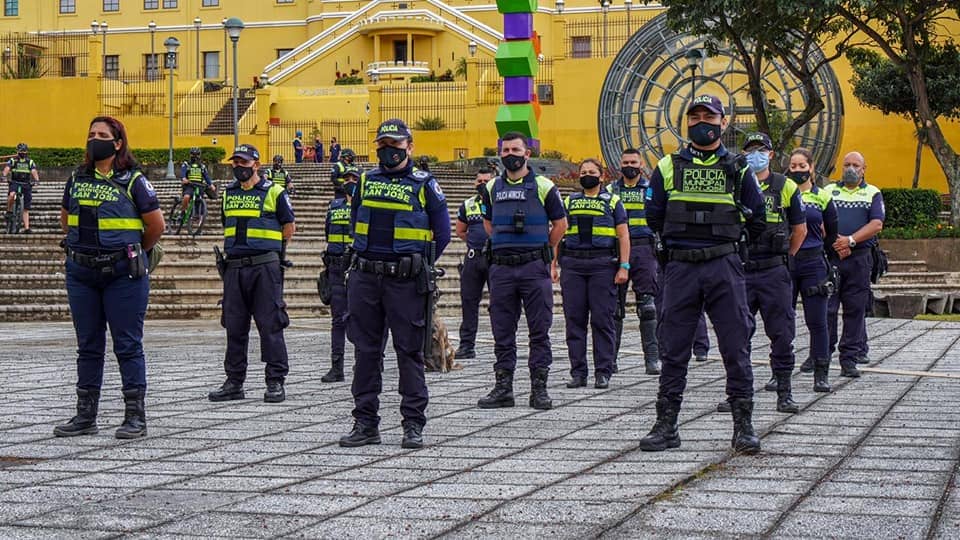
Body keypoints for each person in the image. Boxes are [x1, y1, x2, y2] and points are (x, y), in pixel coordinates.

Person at [638, 94, 767, 454]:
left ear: (723, 122)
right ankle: (667, 426)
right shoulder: (667, 165)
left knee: (735, 346)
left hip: (723, 265)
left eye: (708, 116)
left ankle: (743, 427)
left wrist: (732, 245)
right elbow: (653, 216)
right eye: (694, 116)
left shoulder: (739, 168)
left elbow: (757, 218)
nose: (701, 122)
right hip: (681, 266)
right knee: (674, 348)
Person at [339, 118, 450, 449]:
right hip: (366, 278)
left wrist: (419, 263)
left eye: (395, 145)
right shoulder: (364, 181)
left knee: (409, 353)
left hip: (405, 281)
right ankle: (365, 422)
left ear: (409, 147)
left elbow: (442, 233)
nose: (389, 151)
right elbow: (356, 221)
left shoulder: (424, 185)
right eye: (383, 145)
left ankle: (413, 424)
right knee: (366, 352)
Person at [55, 116, 164, 439]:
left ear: (118, 143)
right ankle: (85, 415)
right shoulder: (76, 178)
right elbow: (66, 221)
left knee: (127, 344)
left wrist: (131, 252)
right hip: (81, 272)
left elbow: (156, 226)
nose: (94, 139)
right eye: (91, 134)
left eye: (102, 135)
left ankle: (135, 416)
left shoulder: (134, 181)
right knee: (88, 345)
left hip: (123, 274)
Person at [477, 132, 568, 411]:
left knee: (539, 331)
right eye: (505, 150)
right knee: (502, 331)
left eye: (516, 149)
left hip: (533, 267)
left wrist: (545, 251)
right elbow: (487, 222)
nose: (510, 154)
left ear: (527, 154)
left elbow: (560, 224)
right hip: (502, 269)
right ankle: (503, 388)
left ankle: (538, 390)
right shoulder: (491, 187)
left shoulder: (543, 185)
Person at [208, 144, 296, 404]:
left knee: (270, 325)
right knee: (234, 326)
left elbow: (289, 227)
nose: (239, 167)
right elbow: (228, 223)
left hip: (264, 267)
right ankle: (234, 381)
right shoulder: (228, 193)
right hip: (234, 268)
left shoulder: (275, 192)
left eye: (244, 163)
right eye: (235, 163)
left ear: (256, 165)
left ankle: (275, 381)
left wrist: (270, 250)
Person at [729, 132, 806, 415]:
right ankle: (737, 394)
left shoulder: (785, 186)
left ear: (771, 154)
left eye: (761, 150)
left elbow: (800, 229)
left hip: (774, 271)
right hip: (742, 270)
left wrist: (786, 257)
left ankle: (784, 392)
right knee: (736, 334)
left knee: (782, 334)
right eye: (750, 150)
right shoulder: (736, 183)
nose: (755, 155)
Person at [559, 159, 630, 389]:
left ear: (602, 177)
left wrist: (624, 266)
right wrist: (553, 265)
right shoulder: (569, 201)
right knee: (574, 321)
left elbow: (623, 236)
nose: (586, 175)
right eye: (583, 172)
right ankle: (578, 373)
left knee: (602, 320)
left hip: (603, 265)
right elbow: (558, 233)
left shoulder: (613, 201)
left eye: (592, 172)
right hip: (574, 265)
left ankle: (603, 371)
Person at [828, 151, 884, 377]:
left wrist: (850, 241)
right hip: (832, 256)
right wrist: (836, 242)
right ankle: (821, 353)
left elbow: (876, 223)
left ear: (864, 169)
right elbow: (818, 219)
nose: (851, 169)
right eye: (847, 164)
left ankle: (849, 357)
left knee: (855, 309)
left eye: (856, 165)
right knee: (826, 308)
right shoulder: (828, 191)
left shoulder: (873, 193)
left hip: (859, 257)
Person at [789, 148, 839, 393]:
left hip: (813, 263)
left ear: (811, 168)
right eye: (793, 166)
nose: (797, 170)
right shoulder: (783, 193)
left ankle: (821, 372)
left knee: (817, 321)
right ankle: (781, 373)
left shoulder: (823, 197)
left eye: (802, 166)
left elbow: (831, 231)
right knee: (782, 321)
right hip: (786, 263)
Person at [608, 148, 660, 375]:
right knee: (614, 307)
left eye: (634, 162)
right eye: (626, 161)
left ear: (641, 165)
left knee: (647, 307)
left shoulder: (650, 189)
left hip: (644, 248)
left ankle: (652, 360)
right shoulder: (611, 190)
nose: (630, 165)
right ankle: (610, 359)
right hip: (615, 249)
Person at [320, 166, 360, 383]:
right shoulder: (333, 206)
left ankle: (365, 363)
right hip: (336, 267)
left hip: (357, 267)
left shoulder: (365, 206)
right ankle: (337, 367)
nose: (350, 182)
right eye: (347, 178)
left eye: (355, 178)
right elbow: (328, 233)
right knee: (338, 319)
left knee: (361, 319)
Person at [454, 167, 494, 359]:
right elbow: (460, 231)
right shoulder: (468, 204)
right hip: (473, 258)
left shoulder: (499, 202)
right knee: (468, 302)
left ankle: (502, 344)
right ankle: (467, 345)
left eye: (486, 181)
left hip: (495, 259)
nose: (482, 184)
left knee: (500, 304)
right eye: (479, 181)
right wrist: (474, 243)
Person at [3, 142, 39, 233]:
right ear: (18, 151)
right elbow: (7, 168)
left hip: (26, 184)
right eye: (21, 151)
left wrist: (37, 180)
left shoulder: (30, 162)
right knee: (11, 195)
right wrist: (4, 176)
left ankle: (27, 228)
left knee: (26, 208)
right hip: (15, 183)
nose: (23, 152)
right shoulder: (13, 160)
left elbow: (34, 171)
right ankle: (9, 211)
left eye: (24, 151)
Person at [179, 147, 214, 219]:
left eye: (197, 154)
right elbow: (183, 172)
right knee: (186, 197)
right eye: (193, 154)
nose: (195, 156)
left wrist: (211, 184)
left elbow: (206, 176)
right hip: (189, 185)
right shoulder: (186, 164)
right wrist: (184, 178)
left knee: (199, 199)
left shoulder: (202, 166)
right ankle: (182, 212)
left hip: (199, 186)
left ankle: (197, 215)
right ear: (190, 155)